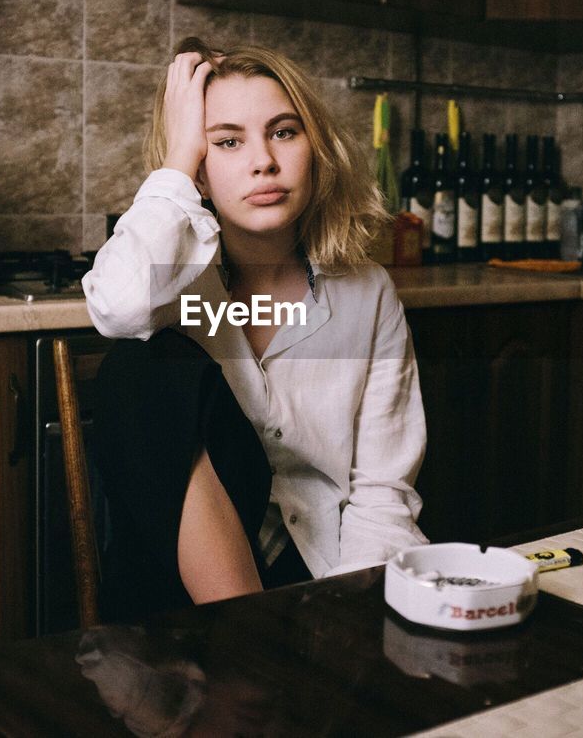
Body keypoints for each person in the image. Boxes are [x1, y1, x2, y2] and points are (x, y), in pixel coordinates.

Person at [82, 37, 428, 621]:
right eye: (226, 142)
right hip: (177, 583)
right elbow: (115, 309)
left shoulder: (366, 293)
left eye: (284, 132)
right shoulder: (171, 282)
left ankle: (265, 649)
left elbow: (381, 491)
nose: (262, 160)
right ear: (199, 165)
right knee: (139, 362)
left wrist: (348, 615)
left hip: (319, 568)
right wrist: (174, 166)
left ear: (314, 148)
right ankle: (247, 636)